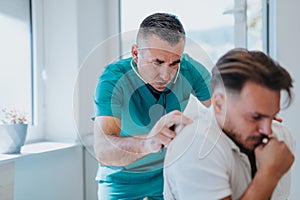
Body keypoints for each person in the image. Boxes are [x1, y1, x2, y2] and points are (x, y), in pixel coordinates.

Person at [93, 13, 211, 199]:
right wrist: (149, 142)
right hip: (121, 177)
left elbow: (227, 108)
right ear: (135, 53)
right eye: (157, 62)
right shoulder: (113, 79)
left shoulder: (189, 69)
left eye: (174, 64)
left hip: (168, 171)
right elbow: (103, 151)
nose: (166, 75)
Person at [163, 48, 295, 200]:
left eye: (272, 116)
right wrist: (270, 174)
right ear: (219, 103)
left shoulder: (280, 137)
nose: (267, 130)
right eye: (255, 117)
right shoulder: (196, 145)